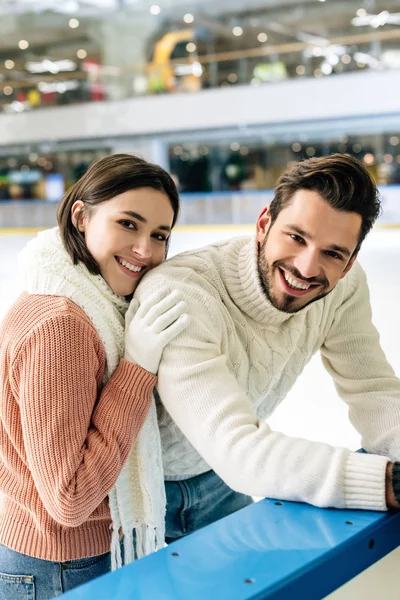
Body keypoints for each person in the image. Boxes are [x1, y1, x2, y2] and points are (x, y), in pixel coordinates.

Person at [128, 153, 400, 544]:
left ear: (350, 261)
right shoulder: (181, 295)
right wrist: (386, 483)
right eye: (296, 237)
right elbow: (235, 446)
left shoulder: (344, 288)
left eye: (333, 253)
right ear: (263, 224)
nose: (307, 267)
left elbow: (373, 390)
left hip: (215, 481)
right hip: (137, 495)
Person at [0, 154, 188, 599]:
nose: (145, 249)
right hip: (61, 565)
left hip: (61, 556)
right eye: (128, 224)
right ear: (81, 216)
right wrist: (137, 368)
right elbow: (70, 498)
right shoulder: (62, 325)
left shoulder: (81, 299)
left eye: (159, 235)